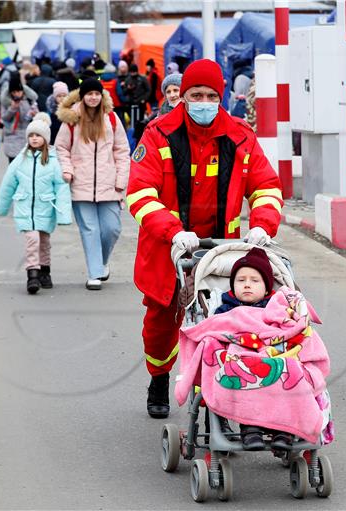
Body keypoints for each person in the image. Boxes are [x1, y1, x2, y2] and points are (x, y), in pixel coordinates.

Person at [125, 59, 284, 418]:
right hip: (168, 247)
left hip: (220, 250)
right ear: (182, 97)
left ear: (222, 96)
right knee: (161, 320)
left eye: (212, 95)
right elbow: (139, 193)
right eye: (196, 94)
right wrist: (173, 231)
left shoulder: (240, 135)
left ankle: (222, 385)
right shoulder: (158, 134)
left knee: (226, 318)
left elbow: (266, 187)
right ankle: (159, 378)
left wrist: (262, 225)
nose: (204, 101)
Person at [208, 247, 292, 450]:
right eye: (241, 280)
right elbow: (217, 330)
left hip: (272, 354)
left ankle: (283, 430)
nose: (247, 285)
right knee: (245, 380)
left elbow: (288, 330)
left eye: (255, 281)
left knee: (288, 375)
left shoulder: (276, 308)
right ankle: (250, 428)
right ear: (232, 287)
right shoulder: (226, 309)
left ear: (266, 289)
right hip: (241, 357)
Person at [55, 78, 130, 290]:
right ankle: (94, 273)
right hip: (80, 184)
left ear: (101, 95)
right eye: (89, 94)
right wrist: (68, 170)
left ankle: (102, 262)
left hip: (110, 184)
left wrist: (121, 180)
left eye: (97, 93)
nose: (93, 97)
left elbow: (122, 151)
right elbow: (61, 148)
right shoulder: (71, 120)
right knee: (90, 229)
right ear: (82, 96)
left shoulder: (112, 119)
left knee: (111, 229)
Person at [0, 113, 72, 294]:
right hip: (24, 207)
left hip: (46, 207)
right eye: (31, 135)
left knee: (44, 241)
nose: (34, 138)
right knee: (32, 240)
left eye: (38, 135)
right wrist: (2, 206)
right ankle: (32, 275)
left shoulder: (53, 162)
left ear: (45, 139)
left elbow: (61, 188)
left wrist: (63, 214)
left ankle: (45, 271)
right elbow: (8, 183)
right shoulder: (20, 159)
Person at [1, 75, 39, 164]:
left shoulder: (29, 100)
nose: (16, 94)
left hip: (27, 136)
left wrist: (35, 114)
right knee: (13, 166)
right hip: (12, 136)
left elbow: (37, 116)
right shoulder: (6, 101)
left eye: (18, 91)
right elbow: (4, 118)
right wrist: (12, 108)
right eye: (13, 92)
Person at [123, 64, 151, 135]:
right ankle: (133, 134)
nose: (133, 73)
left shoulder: (142, 79)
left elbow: (148, 90)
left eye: (134, 72)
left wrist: (144, 99)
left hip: (141, 104)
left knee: (141, 121)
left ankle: (141, 134)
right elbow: (124, 92)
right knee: (132, 121)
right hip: (131, 104)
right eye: (132, 72)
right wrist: (128, 89)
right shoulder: (128, 79)